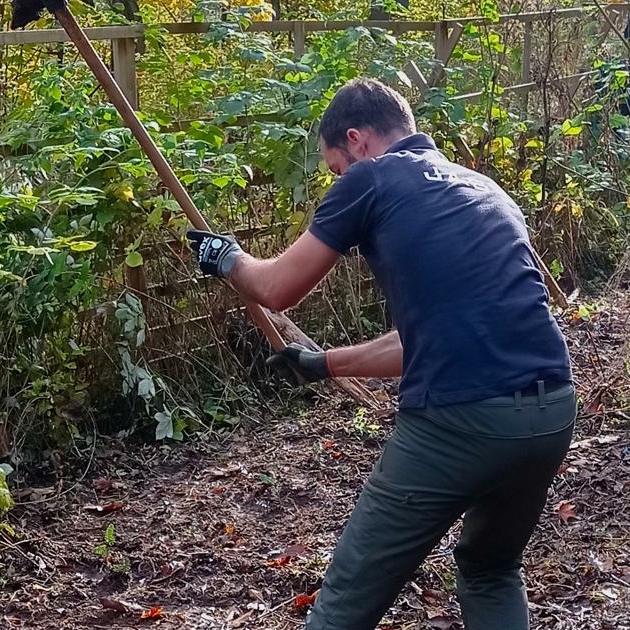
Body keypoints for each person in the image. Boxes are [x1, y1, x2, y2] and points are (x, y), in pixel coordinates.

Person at [185, 77, 575, 630]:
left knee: (345, 601)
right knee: (490, 567)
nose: (338, 180)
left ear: (357, 140)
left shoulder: (371, 178)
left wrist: (226, 257)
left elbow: (276, 289)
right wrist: (322, 363)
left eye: (335, 168)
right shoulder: (484, 189)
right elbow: (424, 340)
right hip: (550, 411)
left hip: (459, 420)